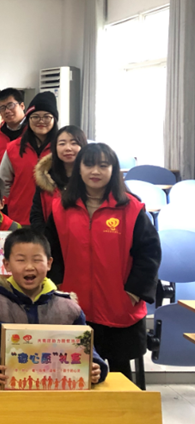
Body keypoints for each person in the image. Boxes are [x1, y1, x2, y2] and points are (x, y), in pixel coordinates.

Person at [44, 143, 161, 383]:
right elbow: (50, 252)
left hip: (120, 306)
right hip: (74, 305)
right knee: (76, 374)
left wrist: (134, 292)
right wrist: (57, 287)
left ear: (113, 170)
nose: (95, 171)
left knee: (119, 378)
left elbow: (149, 254)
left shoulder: (132, 208)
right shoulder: (60, 208)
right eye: (88, 165)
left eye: (103, 165)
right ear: (78, 169)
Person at [0, 228, 108, 388]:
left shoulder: (69, 309)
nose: (29, 267)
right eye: (21, 260)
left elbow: (85, 347)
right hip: (7, 388)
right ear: (7, 264)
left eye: (37, 260)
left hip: (58, 389)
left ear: (49, 263)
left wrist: (94, 365)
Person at [0, 91, 58, 226]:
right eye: (35, 116)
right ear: (28, 119)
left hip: (55, 219)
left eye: (47, 116)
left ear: (54, 119)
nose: (41, 121)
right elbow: (3, 183)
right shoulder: (14, 148)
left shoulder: (62, 149)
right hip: (20, 218)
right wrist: (13, 202)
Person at [31, 125, 87, 234]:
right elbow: (36, 214)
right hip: (49, 239)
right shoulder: (46, 176)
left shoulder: (90, 179)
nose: (68, 148)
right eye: (62, 143)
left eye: (74, 143)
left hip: (81, 238)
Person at [0, 88, 26, 175]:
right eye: (2, 108)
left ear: (22, 106)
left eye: (11, 105)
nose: (7, 111)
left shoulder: (34, 132)